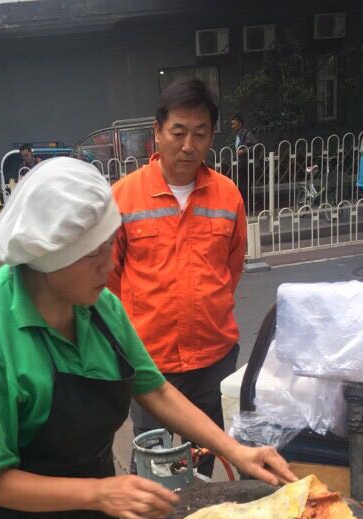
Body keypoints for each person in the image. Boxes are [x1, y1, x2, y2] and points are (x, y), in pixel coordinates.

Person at [0, 157, 296, 519]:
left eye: (111, 246)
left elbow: (155, 390)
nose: (111, 265)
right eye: (95, 255)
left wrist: (235, 450)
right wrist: (100, 492)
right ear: (49, 255)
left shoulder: (99, 306)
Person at [108, 78, 247, 477]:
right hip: (149, 361)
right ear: (157, 132)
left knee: (203, 463)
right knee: (150, 467)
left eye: (200, 134)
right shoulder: (124, 197)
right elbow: (109, 281)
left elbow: (231, 268)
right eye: (179, 132)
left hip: (213, 360)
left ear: (211, 137)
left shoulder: (227, 196)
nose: (189, 145)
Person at [230, 113, 258, 211]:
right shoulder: (238, 135)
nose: (232, 126)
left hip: (245, 164)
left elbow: (256, 146)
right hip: (240, 164)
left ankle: (248, 206)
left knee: (245, 186)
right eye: (232, 124)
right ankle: (243, 206)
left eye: (234, 124)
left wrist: (244, 151)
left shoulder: (247, 134)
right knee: (240, 186)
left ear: (240, 123)